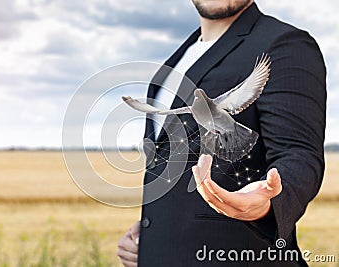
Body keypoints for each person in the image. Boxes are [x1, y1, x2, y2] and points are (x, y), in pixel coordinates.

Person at [117, 0, 326, 266]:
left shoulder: (284, 44)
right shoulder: (178, 59)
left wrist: (268, 201)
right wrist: (152, 233)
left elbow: (298, 153)